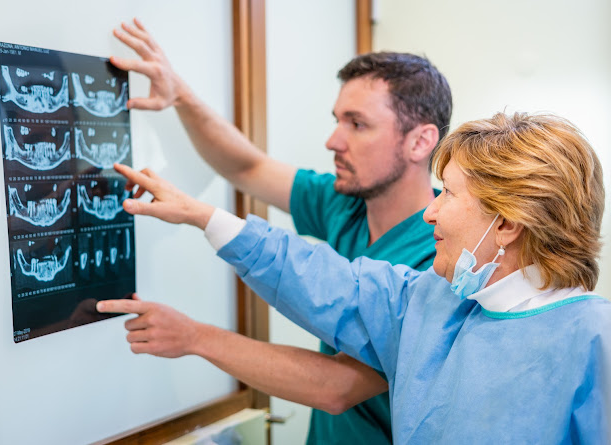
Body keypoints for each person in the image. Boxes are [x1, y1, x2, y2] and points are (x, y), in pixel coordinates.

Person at [98, 112, 610, 443]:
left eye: (449, 195)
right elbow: (325, 282)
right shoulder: (430, 304)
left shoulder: (594, 343)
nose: (431, 214)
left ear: (507, 223)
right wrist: (205, 217)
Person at [107, 19, 452, 444]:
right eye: (337, 120)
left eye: (356, 124)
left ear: (420, 142)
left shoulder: (442, 254)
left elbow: (336, 387)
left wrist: (194, 337)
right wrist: (182, 95)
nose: (333, 140)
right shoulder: (342, 203)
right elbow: (247, 166)